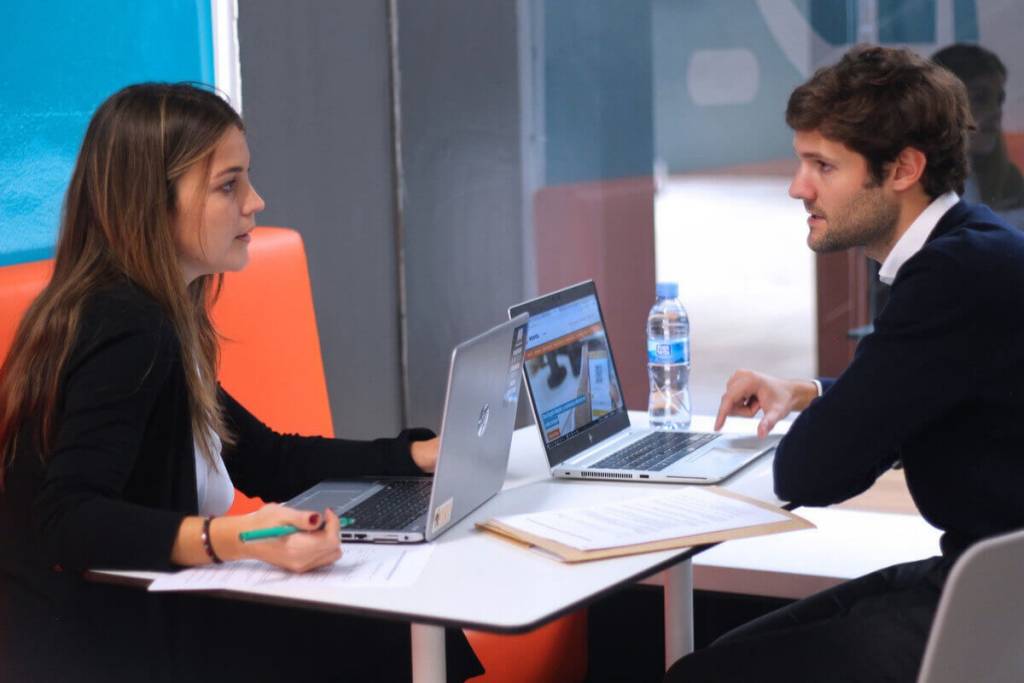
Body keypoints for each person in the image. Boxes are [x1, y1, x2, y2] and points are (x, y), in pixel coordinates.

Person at [0, 83, 482, 682]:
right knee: (393, 629)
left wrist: (414, 455)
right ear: (152, 203)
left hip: (142, 615)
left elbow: (268, 459)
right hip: (97, 644)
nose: (255, 201)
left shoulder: (155, 314)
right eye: (229, 186)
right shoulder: (126, 326)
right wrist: (235, 539)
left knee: (396, 624)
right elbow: (69, 522)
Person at [665, 45, 1024, 682]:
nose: (797, 186)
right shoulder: (977, 243)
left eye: (823, 165)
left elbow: (813, 471)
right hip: (992, 573)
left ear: (903, 168)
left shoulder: (951, 276)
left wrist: (836, 409)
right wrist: (810, 390)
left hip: (998, 602)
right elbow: (935, 387)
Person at [932, 43, 1024, 228]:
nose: (995, 111)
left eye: (999, 100)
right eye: (980, 98)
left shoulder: (1011, 183)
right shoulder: (910, 189)